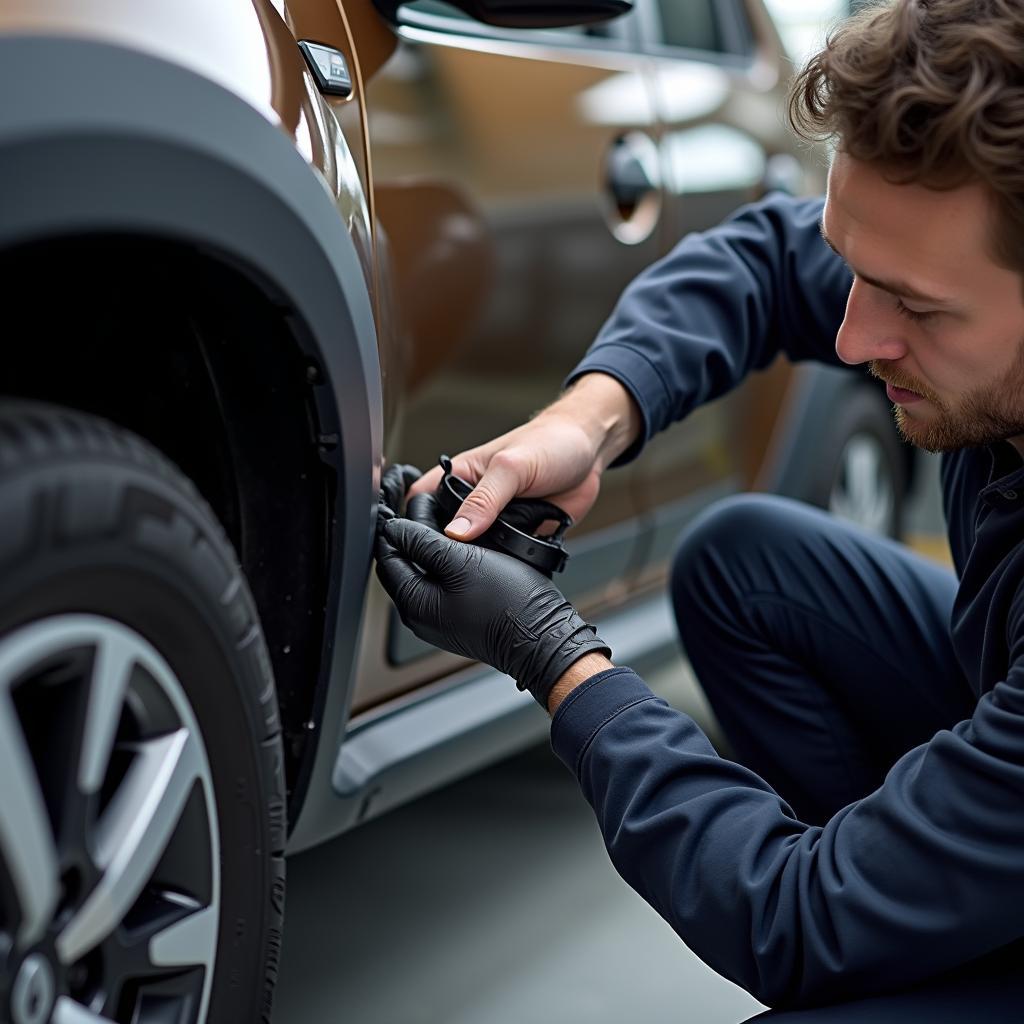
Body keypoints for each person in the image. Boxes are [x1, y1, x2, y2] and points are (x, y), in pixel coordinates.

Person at [375, 0, 1024, 1011]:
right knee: (744, 562)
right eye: (854, 269)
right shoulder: (959, 273)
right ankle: (928, 912)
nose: (853, 339)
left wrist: (555, 656)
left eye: (915, 306)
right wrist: (587, 422)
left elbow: (788, 920)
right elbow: (766, 261)